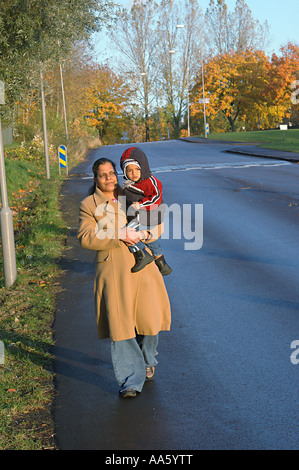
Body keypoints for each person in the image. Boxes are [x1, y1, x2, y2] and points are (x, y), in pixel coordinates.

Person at [77, 157, 171, 398]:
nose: (109, 178)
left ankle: (148, 359)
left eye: (111, 173)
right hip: (113, 271)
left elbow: (157, 219)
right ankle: (130, 380)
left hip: (145, 267)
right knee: (122, 328)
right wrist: (118, 234)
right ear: (95, 178)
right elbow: (86, 237)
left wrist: (147, 233)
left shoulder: (132, 194)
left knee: (149, 322)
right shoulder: (89, 204)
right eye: (102, 174)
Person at [120, 147, 172, 275]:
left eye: (137, 169)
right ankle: (160, 261)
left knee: (127, 232)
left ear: (143, 167)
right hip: (142, 215)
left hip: (151, 213)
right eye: (129, 170)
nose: (134, 173)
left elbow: (156, 198)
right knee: (148, 236)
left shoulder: (149, 181)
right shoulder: (130, 183)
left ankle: (141, 254)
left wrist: (141, 204)